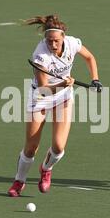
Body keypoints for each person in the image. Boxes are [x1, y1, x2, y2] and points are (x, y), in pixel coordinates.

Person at [8, 14, 102, 197]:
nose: (53, 45)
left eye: (56, 41)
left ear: (63, 37)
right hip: (41, 97)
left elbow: (90, 57)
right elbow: (44, 89)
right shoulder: (40, 55)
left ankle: (46, 169)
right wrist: (62, 84)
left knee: (58, 147)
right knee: (30, 148)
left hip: (63, 97)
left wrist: (95, 79)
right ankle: (19, 180)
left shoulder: (73, 44)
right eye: (49, 41)